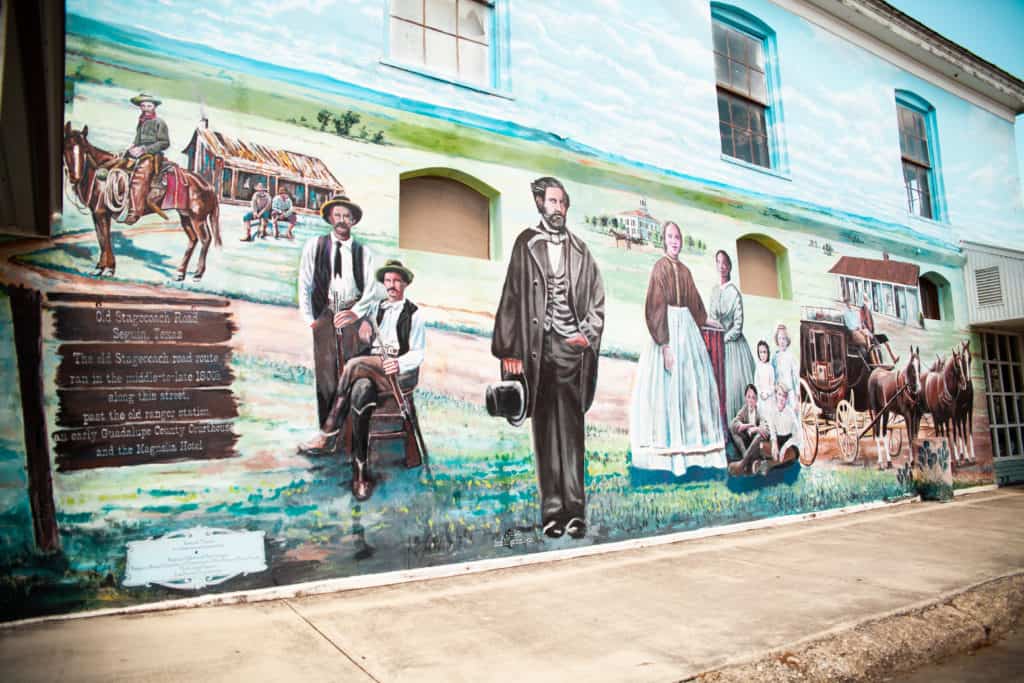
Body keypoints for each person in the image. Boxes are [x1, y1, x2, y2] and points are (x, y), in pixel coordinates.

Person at [492, 177, 605, 541]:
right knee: (544, 433)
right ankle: (552, 513)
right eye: (552, 202)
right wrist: (509, 351)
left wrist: (584, 335)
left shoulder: (582, 251)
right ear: (541, 204)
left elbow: (597, 302)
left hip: (571, 353)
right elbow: (511, 297)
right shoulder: (526, 245)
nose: (558, 209)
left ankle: (576, 513)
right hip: (537, 353)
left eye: (563, 203)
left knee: (571, 434)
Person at [299, 260, 424, 501]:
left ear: (405, 284)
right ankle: (360, 473)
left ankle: (329, 431)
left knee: (354, 365)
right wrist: (365, 325)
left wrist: (399, 363)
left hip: (398, 372)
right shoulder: (376, 308)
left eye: (397, 281)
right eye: (388, 281)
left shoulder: (415, 314)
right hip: (373, 368)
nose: (392, 285)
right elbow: (364, 323)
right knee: (360, 389)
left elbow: (418, 353)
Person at [629, 221, 725, 474]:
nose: (674, 241)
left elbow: (694, 302)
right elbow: (654, 309)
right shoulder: (659, 268)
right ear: (664, 240)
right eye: (670, 237)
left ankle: (695, 455)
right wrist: (665, 345)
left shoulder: (685, 270)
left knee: (691, 389)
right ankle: (667, 457)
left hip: (688, 332)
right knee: (667, 392)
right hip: (669, 332)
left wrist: (706, 320)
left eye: (678, 237)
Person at [297, 194, 385, 431]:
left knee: (352, 369)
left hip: (353, 314)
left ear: (354, 221)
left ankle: (350, 430)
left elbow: (371, 290)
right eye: (337, 215)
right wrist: (310, 320)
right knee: (325, 372)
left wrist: (356, 313)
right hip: (324, 313)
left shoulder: (362, 252)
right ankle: (327, 431)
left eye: (347, 216)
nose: (342, 220)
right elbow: (304, 284)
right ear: (330, 218)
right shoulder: (314, 246)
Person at [708, 249, 755, 422]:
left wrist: (724, 338)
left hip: (734, 347)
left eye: (725, 263)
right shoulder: (714, 291)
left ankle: (735, 425)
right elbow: (711, 317)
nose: (722, 266)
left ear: (730, 267)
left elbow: (738, 325)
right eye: (718, 262)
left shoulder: (734, 293)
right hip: (716, 344)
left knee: (733, 386)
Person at [122, 93, 170, 225]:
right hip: (138, 154)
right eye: (143, 105)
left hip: (153, 156)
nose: (146, 108)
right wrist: (131, 148)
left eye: (149, 105)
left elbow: (164, 143)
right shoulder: (141, 122)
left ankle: (134, 212)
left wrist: (144, 149)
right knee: (119, 167)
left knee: (139, 178)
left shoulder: (159, 122)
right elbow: (137, 141)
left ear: (154, 107)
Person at [727, 384, 770, 475]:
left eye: (753, 398)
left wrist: (756, 429)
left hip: (756, 446)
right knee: (733, 428)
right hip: (746, 444)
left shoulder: (759, 412)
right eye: (748, 397)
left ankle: (743, 463)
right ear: (745, 398)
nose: (750, 400)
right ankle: (746, 459)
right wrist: (748, 425)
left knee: (759, 436)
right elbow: (734, 423)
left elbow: (765, 429)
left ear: (757, 399)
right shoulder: (744, 410)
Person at [760, 383, 802, 474]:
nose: (781, 398)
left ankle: (770, 464)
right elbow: (772, 430)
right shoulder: (772, 410)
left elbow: (797, 436)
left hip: (787, 442)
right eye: (779, 395)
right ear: (776, 395)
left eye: (784, 396)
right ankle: (777, 462)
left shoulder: (790, 413)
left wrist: (785, 447)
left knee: (795, 453)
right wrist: (774, 443)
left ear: (786, 398)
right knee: (761, 446)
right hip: (775, 440)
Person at [772, 323, 800, 410]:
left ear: (787, 340)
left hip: (789, 392)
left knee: (791, 413)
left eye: (784, 338)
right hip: (778, 393)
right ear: (777, 340)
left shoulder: (791, 357)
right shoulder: (775, 357)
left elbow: (796, 377)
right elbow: (773, 376)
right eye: (780, 338)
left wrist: (797, 396)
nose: (782, 341)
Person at [753, 340, 775, 417]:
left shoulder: (770, 368)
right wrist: (760, 393)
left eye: (764, 352)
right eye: (760, 352)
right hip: (760, 398)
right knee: (761, 416)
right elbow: (756, 383)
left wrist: (767, 393)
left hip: (769, 398)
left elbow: (772, 385)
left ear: (768, 353)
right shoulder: (758, 368)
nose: (762, 355)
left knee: (769, 416)